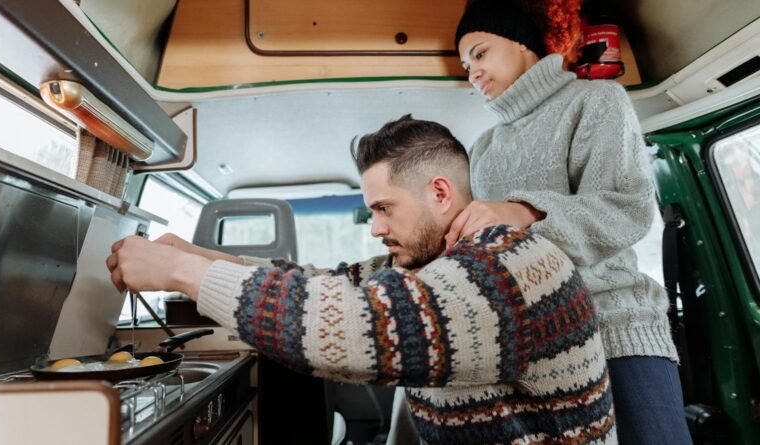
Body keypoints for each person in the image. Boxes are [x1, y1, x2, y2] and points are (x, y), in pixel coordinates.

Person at [108, 115, 616, 444]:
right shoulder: (434, 263)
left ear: (440, 193)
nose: (375, 228)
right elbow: (326, 282)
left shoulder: (506, 267)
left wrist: (179, 273)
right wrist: (194, 254)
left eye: (384, 209)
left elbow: (351, 327)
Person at [448, 1, 690, 443]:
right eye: (465, 65)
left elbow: (627, 208)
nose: (472, 73)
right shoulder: (482, 148)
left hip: (615, 328)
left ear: (523, 44)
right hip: (532, 348)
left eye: (480, 54)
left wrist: (525, 212)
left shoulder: (596, 100)